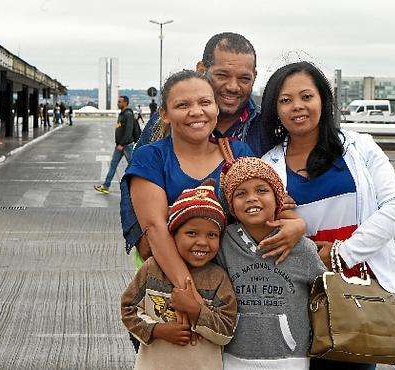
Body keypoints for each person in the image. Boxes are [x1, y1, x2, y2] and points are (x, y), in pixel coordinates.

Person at [259, 61, 395, 370]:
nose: (297, 107)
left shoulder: (360, 147)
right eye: (285, 100)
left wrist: (343, 254)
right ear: (274, 109)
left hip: (355, 294)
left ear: (323, 100)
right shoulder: (268, 164)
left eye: (306, 96)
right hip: (296, 296)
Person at [121, 32, 304, 264]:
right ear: (201, 68)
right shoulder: (165, 123)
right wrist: (144, 239)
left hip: (237, 265)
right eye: (222, 75)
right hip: (167, 259)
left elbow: (276, 187)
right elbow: (135, 188)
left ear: (255, 77)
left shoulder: (266, 126)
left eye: (244, 79)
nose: (233, 86)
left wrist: (293, 220)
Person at [217, 157, 326, 369]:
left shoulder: (302, 247)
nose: (251, 198)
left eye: (261, 190)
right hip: (233, 357)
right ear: (231, 205)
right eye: (240, 193)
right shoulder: (224, 244)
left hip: (290, 358)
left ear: (278, 199)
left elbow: (323, 294)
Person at [121, 182, 237, 370]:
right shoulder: (151, 269)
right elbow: (128, 309)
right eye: (191, 233)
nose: (202, 242)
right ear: (173, 235)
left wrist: (196, 311)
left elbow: (227, 330)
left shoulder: (218, 279)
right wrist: (157, 330)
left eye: (212, 235)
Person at [94, 96, 136, 194]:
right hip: (120, 146)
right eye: (118, 102)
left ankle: (140, 187)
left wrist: (122, 144)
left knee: (133, 166)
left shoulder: (128, 114)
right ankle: (106, 186)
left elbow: (128, 131)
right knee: (113, 165)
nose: (118, 103)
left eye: (120, 102)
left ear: (125, 103)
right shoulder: (122, 113)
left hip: (126, 145)